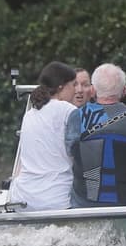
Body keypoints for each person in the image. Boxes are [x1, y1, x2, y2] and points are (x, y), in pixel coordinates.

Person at [65, 63, 126, 207]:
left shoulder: (76, 116)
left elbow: (70, 152)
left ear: (93, 90)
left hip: (85, 203)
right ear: (124, 91)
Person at [9, 62, 79, 211]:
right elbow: (82, 150)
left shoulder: (29, 114)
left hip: (22, 198)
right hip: (56, 199)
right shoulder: (68, 110)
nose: (76, 91)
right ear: (61, 87)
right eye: (73, 85)